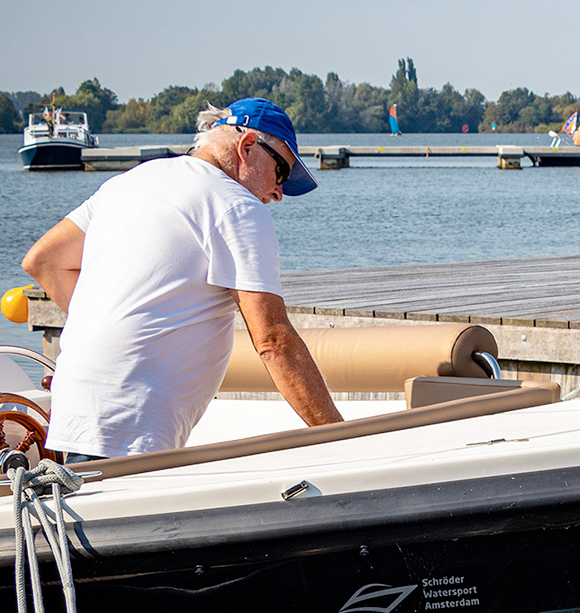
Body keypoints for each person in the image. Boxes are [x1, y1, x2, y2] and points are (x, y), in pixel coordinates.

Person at [21, 98, 341, 462]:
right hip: (133, 422)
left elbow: (43, 261)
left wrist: (111, 325)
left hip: (73, 413)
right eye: (280, 171)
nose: (279, 193)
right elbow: (272, 341)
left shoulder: (130, 181)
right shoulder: (237, 206)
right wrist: (342, 439)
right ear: (248, 146)